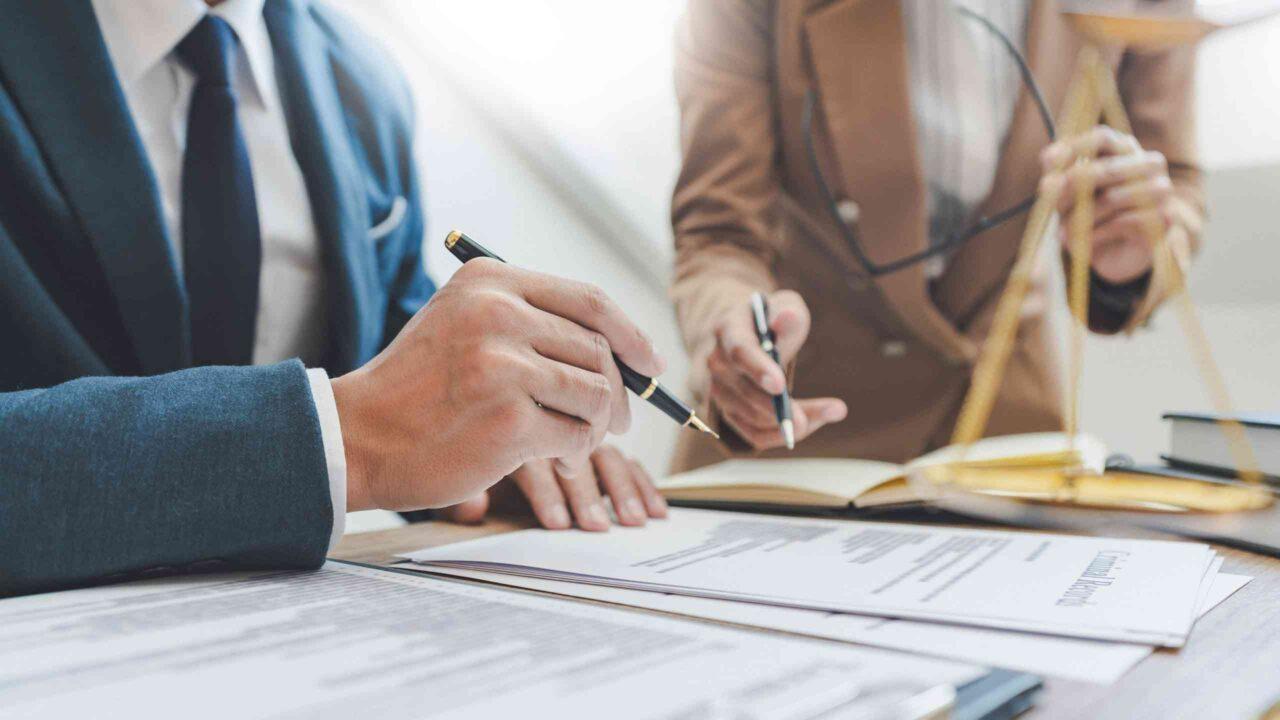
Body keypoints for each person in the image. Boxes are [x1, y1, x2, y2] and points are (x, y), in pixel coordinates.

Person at [0, 0, 665, 557]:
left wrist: (501, 437)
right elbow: (370, 419)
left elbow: (394, 356)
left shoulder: (366, 77)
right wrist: (342, 439)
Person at [668, 0, 1201, 471]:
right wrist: (735, 332)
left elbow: (1173, 178)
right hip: (802, 430)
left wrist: (1132, 251)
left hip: (1004, 427)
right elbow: (718, 232)